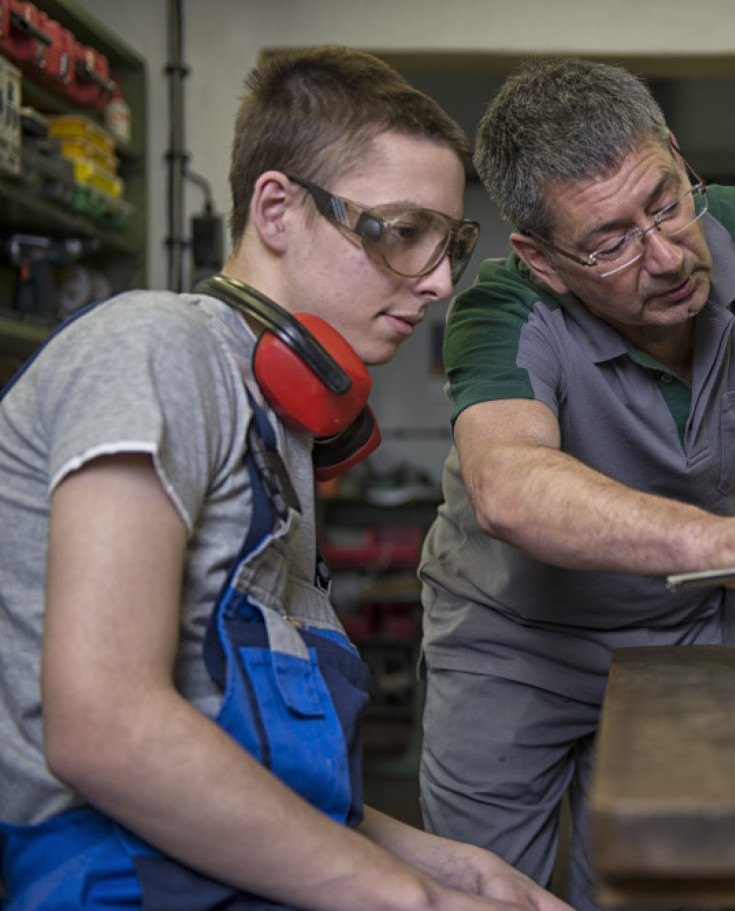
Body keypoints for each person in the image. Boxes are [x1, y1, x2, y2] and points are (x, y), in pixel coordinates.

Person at [0, 46, 569, 911]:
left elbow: (253, 765)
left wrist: (447, 864)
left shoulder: (279, 426)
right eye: (403, 231)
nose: (443, 281)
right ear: (276, 209)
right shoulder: (154, 347)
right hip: (112, 880)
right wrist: (409, 896)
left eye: (450, 241)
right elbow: (103, 727)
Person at [418, 57, 735, 910]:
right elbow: (507, 486)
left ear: (673, 153)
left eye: (664, 202)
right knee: (483, 895)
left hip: (687, 634)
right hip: (514, 645)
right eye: (609, 241)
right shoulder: (503, 309)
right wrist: (730, 538)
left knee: (663, 881)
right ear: (543, 259)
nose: (665, 257)